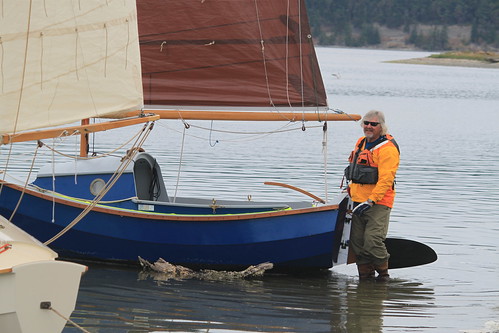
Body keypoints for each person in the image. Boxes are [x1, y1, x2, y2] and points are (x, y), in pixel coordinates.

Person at [345, 110, 400, 281]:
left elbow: (386, 179)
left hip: (378, 202)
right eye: (366, 123)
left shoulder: (387, 149)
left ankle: (384, 276)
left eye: (373, 124)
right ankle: (365, 278)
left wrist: (370, 201)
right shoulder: (361, 142)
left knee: (372, 240)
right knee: (357, 243)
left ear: (381, 126)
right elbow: (354, 168)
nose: (369, 126)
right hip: (356, 200)